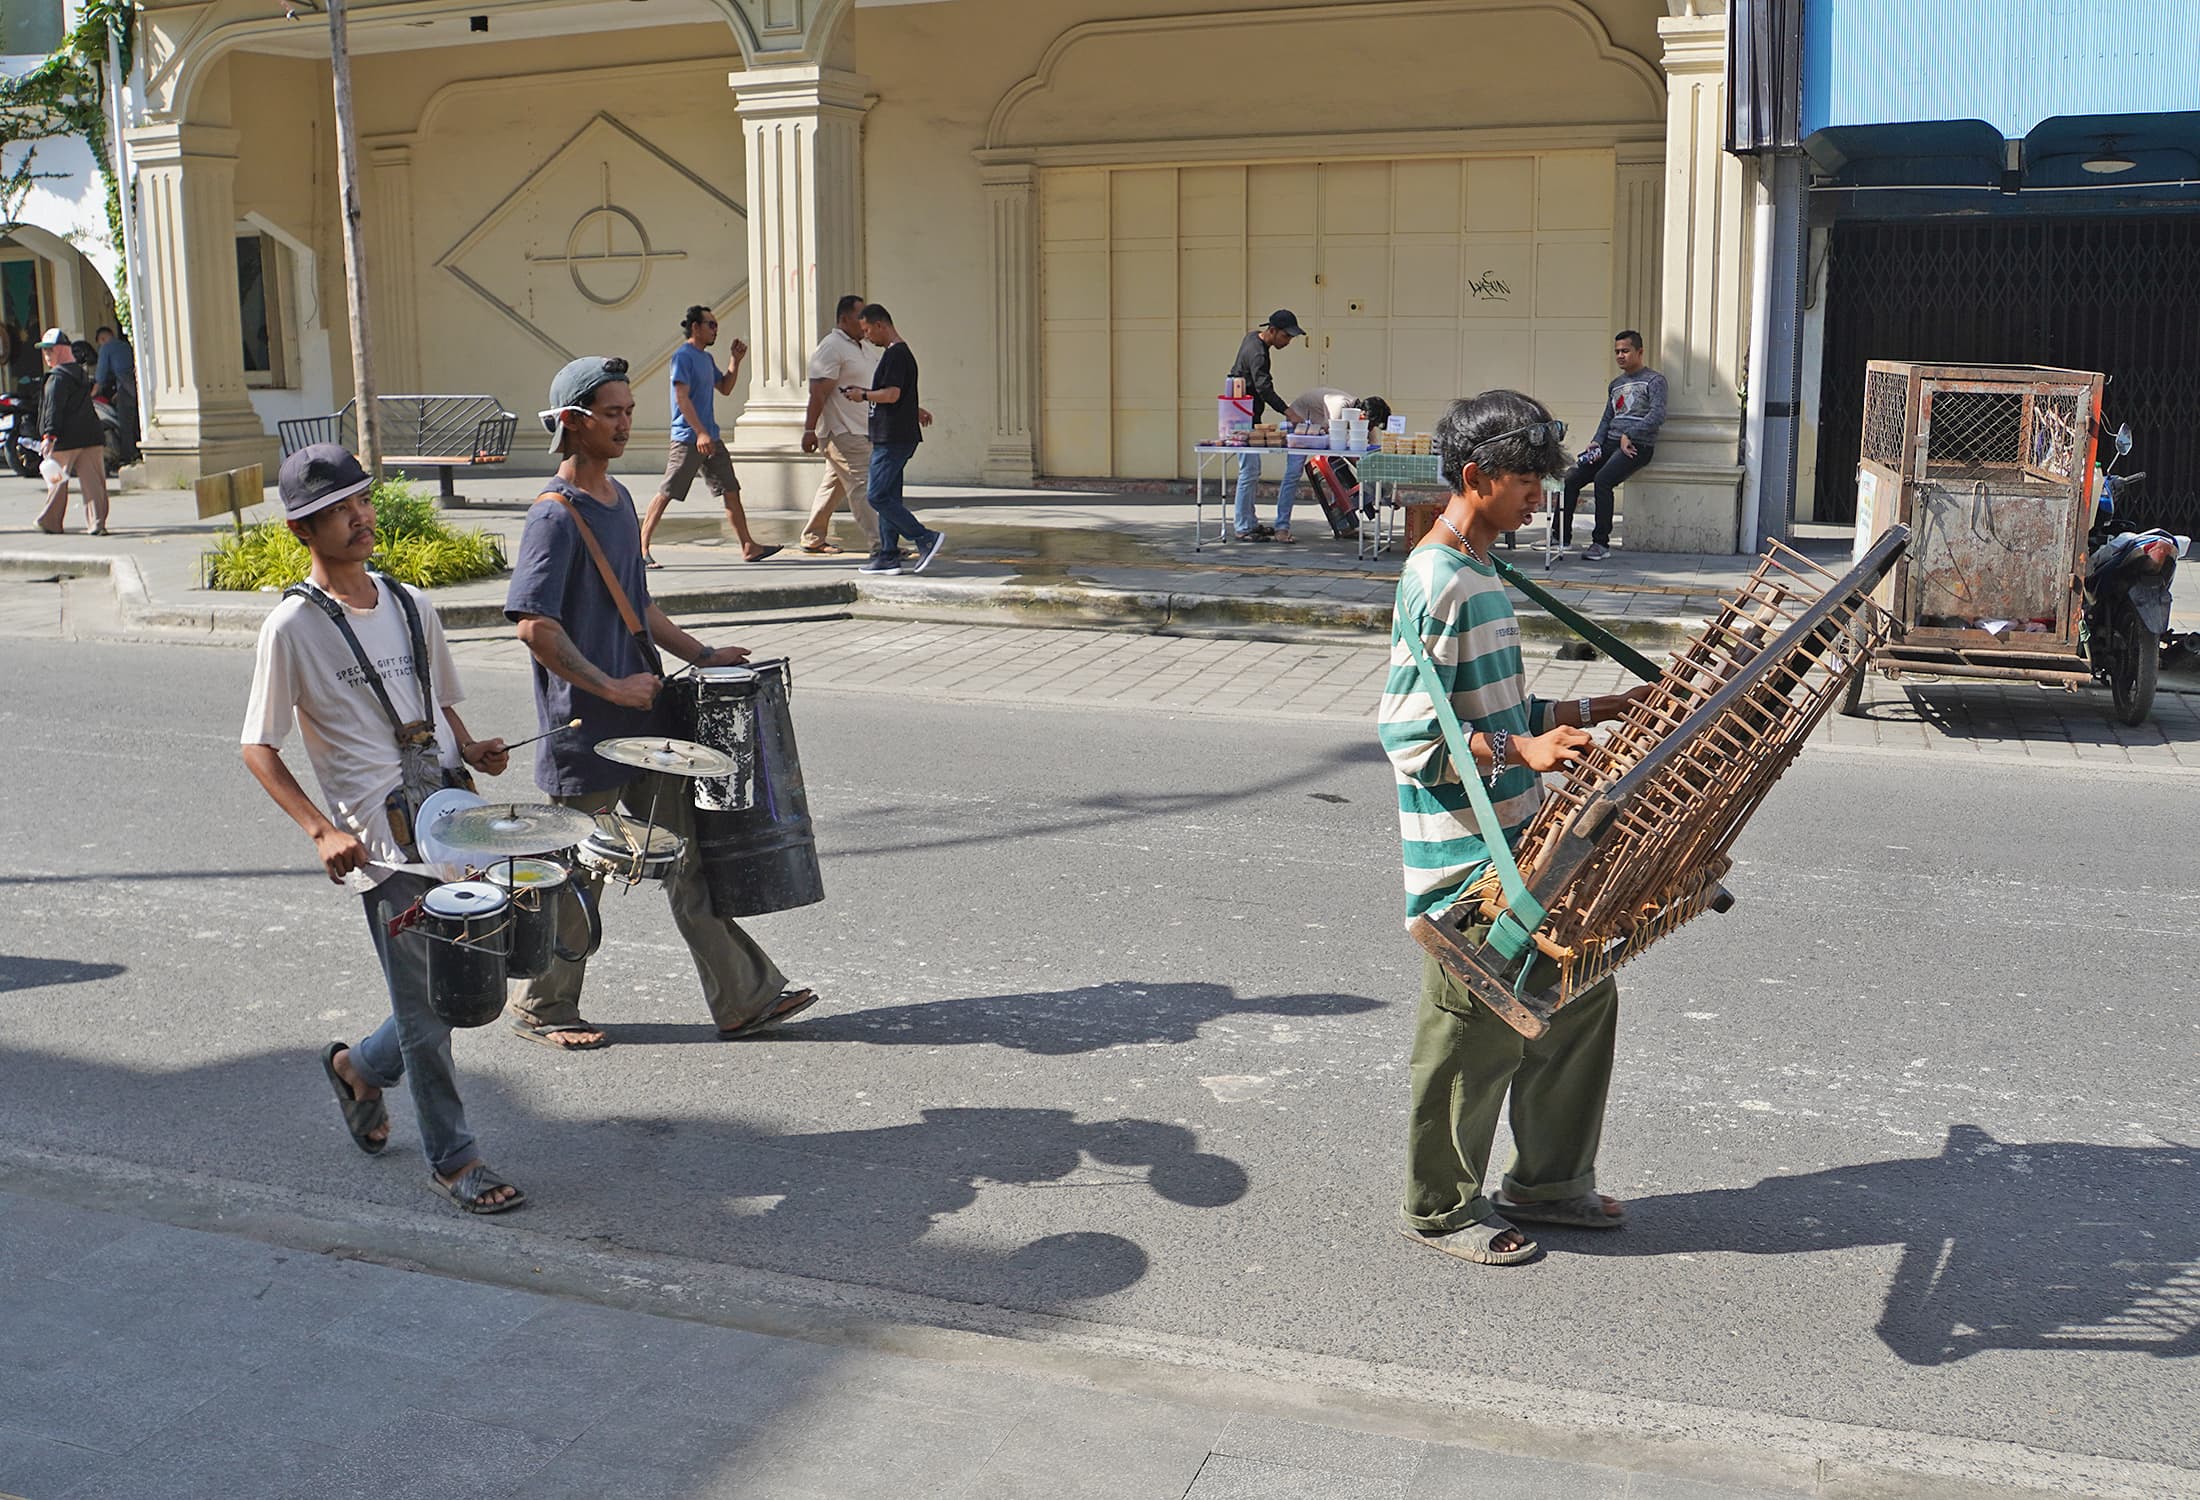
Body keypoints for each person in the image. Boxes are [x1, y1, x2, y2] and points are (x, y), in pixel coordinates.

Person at [1380, 389, 1652, 1267]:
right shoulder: (1437, 579)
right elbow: (1412, 735)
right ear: (1475, 477)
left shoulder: (1484, 568)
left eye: (1542, 478)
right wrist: (1519, 749)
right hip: (1466, 855)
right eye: (1527, 479)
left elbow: (1498, 705)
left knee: (1579, 993)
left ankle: (1549, 1182)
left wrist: (1590, 706)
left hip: (1521, 837)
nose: (1541, 493)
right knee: (1472, 1021)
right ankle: (1441, 1206)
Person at [504, 355, 819, 1050]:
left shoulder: (617, 502)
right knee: (571, 874)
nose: (625, 424)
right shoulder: (554, 518)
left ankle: (745, 997)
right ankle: (543, 1006)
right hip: (584, 731)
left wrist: (702, 654)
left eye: (627, 410)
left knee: (684, 858)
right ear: (573, 423)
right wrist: (610, 685)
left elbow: (638, 606)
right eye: (610, 413)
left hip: (647, 726)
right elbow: (534, 625)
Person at [240, 443, 523, 1215]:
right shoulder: (291, 628)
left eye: (363, 500)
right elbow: (256, 747)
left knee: (465, 988)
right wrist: (318, 832)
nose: (361, 517)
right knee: (432, 1020)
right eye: (339, 509)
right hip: (380, 841)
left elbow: (439, 702)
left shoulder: (410, 604)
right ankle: (455, 1159)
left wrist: (472, 746)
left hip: (454, 822)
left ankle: (358, 1069)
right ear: (304, 528)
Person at [637, 304, 781, 569]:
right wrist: (700, 432)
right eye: (711, 325)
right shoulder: (683, 357)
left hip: (710, 438)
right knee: (668, 491)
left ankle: (748, 546)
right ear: (696, 327)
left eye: (716, 325)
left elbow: (724, 387)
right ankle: (641, 547)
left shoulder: (705, 358)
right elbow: (681, 397)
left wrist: (735, 361)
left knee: (731, 489)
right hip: (689, 438)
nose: (716, 330)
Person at [843, 303, 941, 577]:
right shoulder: (895, 354)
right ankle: (888, 555)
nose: (866, 336)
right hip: (892, 434)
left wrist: (862, 394)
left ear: (880, 325)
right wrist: (915, 409)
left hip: (893, 438)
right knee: (889, 495)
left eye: (867, 330)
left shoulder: (897, 354)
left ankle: (924, 537)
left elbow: (893, 394)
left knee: (876, 495)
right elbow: (903, 395)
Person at [1558, 330, 1667, 560]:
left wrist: (1630, 433)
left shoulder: (1655, 381)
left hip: (1637, 445)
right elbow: (1608, 417)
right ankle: (1561, 538)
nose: (1620, 356)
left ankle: (1600, 544)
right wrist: (1596, 441)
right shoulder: (1616, 384)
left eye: (1625, 351)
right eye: (1617, 351)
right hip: (1610, 443)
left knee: (1603, 481)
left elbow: (1657, 415)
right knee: (1571, 478)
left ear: (1640, 352)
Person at [799, 294, 882, 556]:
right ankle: (881, 544)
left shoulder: (864, 347)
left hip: (862, 428)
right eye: (860, 316)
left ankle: (812, 537)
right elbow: (818, 393)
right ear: (844, 318)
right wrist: (809, 430)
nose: (865, 322)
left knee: (833, 486)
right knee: (863, 486)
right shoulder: (831, 347)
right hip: (842, 431)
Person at [1226, 310, 1308, 542]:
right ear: (1272, 330)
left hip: (1244, 413)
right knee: (1248, 471)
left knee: (1251, 471)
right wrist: (1288, 411)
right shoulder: (1258, 354)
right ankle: (1242, 527)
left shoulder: (1253, 338)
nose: (1288, 341)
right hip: (1241, 416)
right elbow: (1264, 388)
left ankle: (1249, 522)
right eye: (1286, 336)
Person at [33, 329, 109, 536]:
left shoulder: (57, 379)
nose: (47, 355)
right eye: (45, 351)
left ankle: (51, 521)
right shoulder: (80, 374)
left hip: (66, 439)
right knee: (93, 482)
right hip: (91, 435)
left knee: (56, 480)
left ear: (62, 350)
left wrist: (49, 435)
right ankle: (97, 523)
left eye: (50, 351)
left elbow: (53, 409)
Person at [93, 325, 139, 463]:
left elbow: (100, 375)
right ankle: (138, 451)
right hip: (134, 386)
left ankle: (127, 456)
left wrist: (92, 395)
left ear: (103, 338)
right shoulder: (125, 346)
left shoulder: (106, 348)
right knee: (135, 421)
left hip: (125, 387)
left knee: (125, 423)